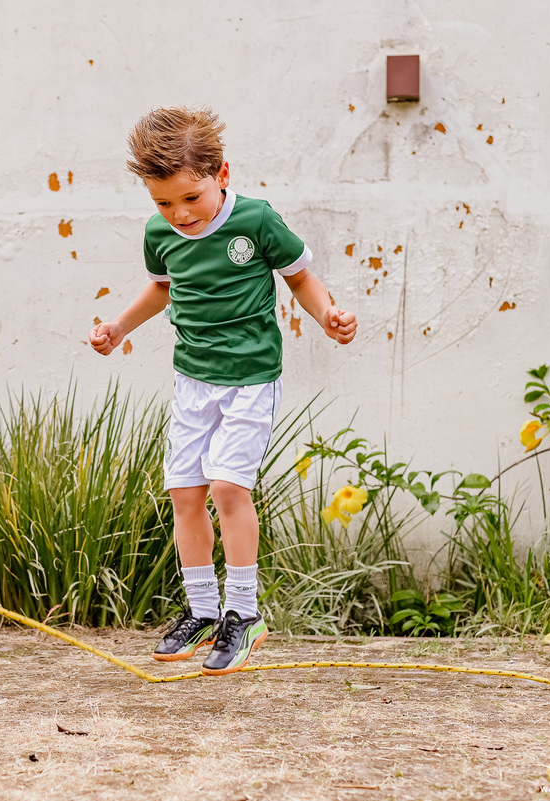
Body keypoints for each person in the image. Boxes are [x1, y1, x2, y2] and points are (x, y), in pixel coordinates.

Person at [90, 107, 357, 676]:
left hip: (250, 380)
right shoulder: (159, 233)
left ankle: (244, 613)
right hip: (192, 380)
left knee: (227, 486)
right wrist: (117, 328)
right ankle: (202, 612)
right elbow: (162, 290)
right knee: (185, 492)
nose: (179, 214)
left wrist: (327, 314)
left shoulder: (256, 221)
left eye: (191, 197)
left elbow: (301, 277)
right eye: (164, 202)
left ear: (222, 174)